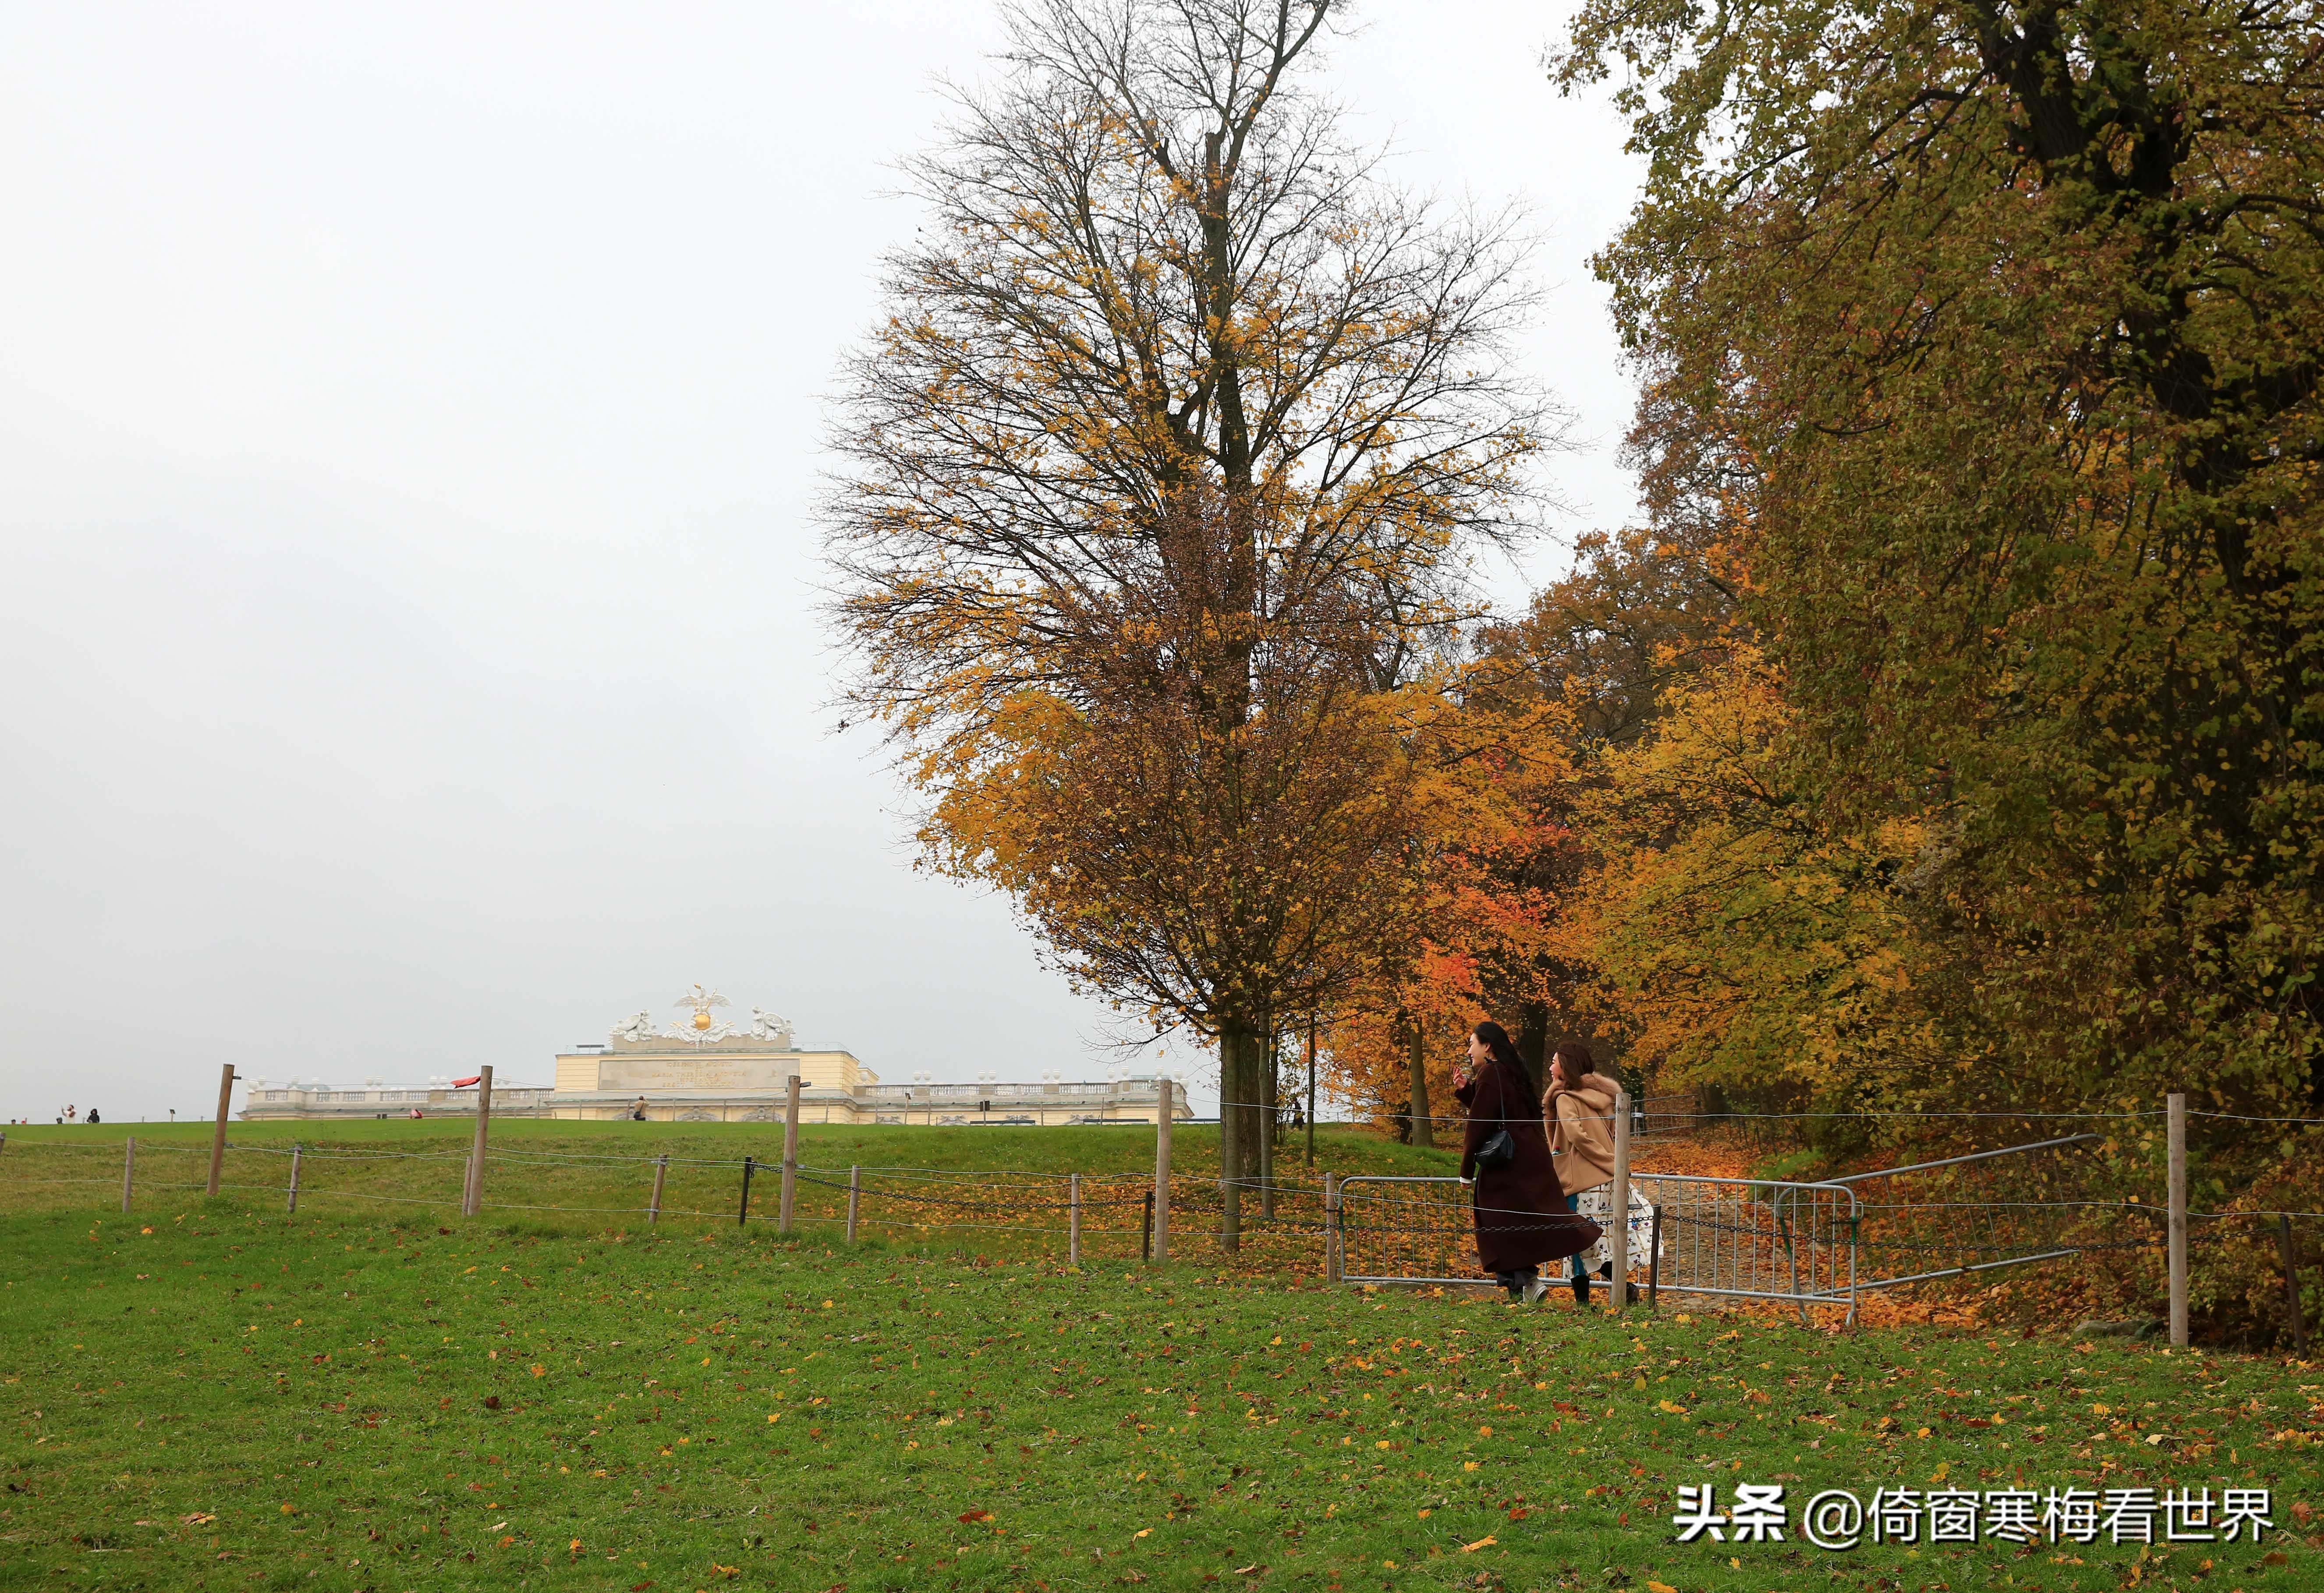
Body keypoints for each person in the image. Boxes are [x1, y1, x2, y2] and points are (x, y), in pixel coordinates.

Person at [1452, 1021, 1600, 1301]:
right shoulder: (1512, 1071)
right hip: (1530, 1157)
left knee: (1494, 1224)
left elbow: (1479, 1125)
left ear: (1487, 1046)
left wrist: (1466, 1172)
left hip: (1505, 1164)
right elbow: (1498, 1107)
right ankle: (1527, 1282)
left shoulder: (1491, 1072)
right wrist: (1466, 1092)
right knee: (1528, 1220)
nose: (1469, 1051)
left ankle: (1527, 1280)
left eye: (1472, 1044)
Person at [1544, 1041, 1619, 1304]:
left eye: (1554, 1062)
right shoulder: (1605, 1098)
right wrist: (1614, 1163)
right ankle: (1622, 1285)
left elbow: (1576, 1135)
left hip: (1578, 1179)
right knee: (1601, 1236)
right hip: (1606, 1178)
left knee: (1576, 1239)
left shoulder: (1564, 1098)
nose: (1550, 1068)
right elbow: (1616, 1132)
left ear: (1566, 1067)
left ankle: (1585, 1302)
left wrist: (1605, 1159)